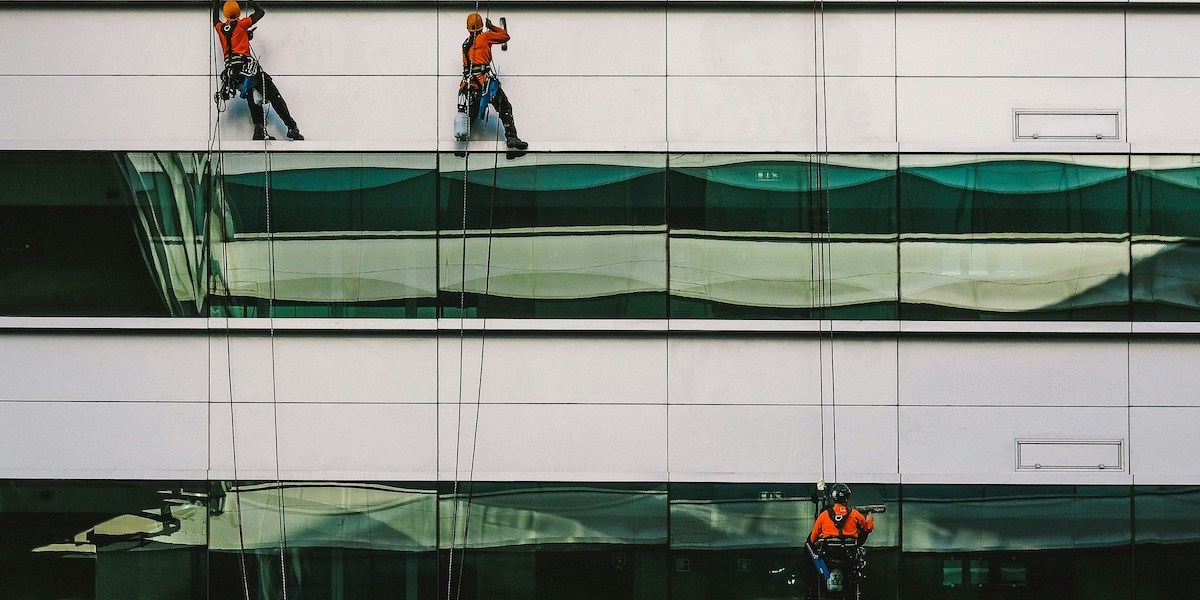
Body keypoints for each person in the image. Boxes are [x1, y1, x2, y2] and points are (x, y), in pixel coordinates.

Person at [213, 0, 303, 141]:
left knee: (251, 97)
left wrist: (216, 2)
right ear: (238, 14)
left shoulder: (220, 28)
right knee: (273, 94)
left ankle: (259, 131)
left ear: (225, 15)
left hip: (233, 74)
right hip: (246, 69)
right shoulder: (242, 24)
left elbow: (215, 19)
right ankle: (292, 127)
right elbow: (260, 13)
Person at [459, 12, 527, 150]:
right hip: (484, 83)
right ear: (481, 26)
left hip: (470, 85)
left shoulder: (465, 44)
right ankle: (512, 137)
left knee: (471, 113)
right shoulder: (485, 37)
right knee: (505, 107)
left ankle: (462, 142)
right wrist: (492, 26)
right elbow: (505, 36)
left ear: (468, 28)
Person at [808, 483, 874, 545]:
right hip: (849, 554)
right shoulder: (855, 514)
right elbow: (867, 528)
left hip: (828, 555)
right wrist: (869, 520)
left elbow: (812, 539)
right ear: (846, 499)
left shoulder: (823, 515)